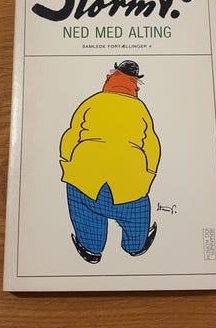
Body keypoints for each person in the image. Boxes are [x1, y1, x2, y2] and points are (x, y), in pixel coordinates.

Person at [60, 60, 161, 263]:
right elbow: (152, 147)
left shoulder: (92, 102)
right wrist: (147, 177)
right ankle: (135, 245)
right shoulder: (140, 109)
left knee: (86, 216)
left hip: (84, 180)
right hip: (128, 185)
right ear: (135, 86)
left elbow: (71, 136)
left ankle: (91, 249)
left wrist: (68, 164)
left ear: (109, 79)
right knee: (135, 217)